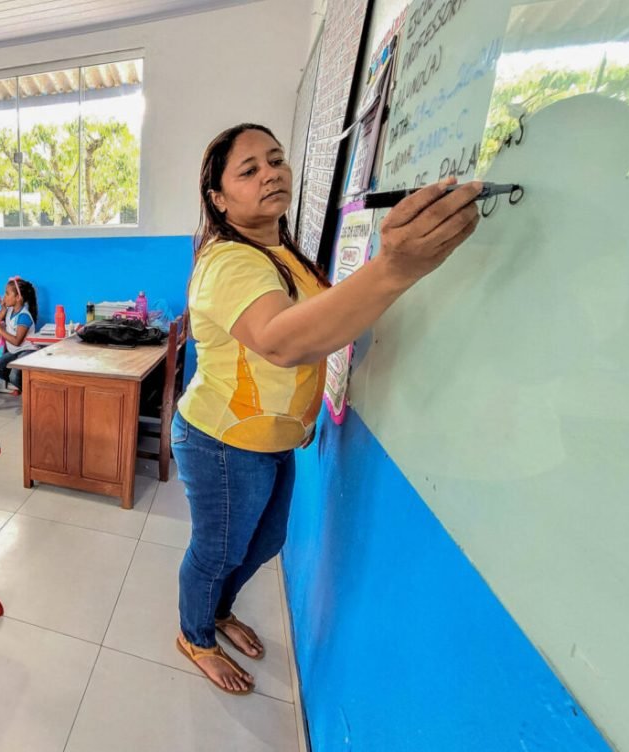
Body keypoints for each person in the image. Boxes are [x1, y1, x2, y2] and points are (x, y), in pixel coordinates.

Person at [173, 123, 481, 694]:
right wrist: (394, 268)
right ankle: (195, 635)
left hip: (270, 440)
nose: (271, 173)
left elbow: (318, 332)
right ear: (218, 199)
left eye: (276, 160)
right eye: (249, 170)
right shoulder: (229, 263)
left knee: (264, 543)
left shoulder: (280, 251)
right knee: (217, 551)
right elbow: (282, 341)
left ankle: (216, 613)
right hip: (221, 440)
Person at [0, 276, 38, 389]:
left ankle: (29, 391)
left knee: (14, 376)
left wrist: (1, 330)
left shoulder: (24, 316)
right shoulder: (10, 310)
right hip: (14, 351)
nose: (4, 297)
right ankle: (23, 386)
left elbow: (17, 341)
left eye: (7, 294)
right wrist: (4, 309)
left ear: (18, 298)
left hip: (27, 350)